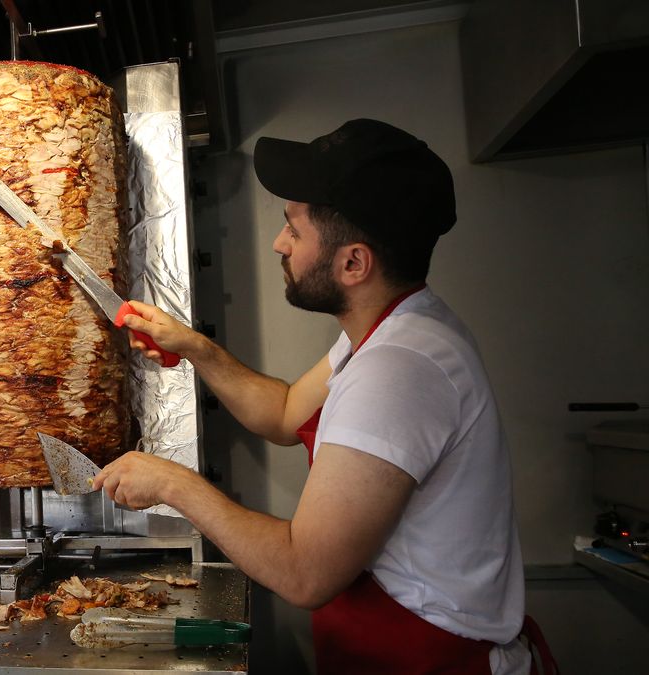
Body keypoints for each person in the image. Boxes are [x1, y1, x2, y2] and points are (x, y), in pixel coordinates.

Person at [94, 119, 546, 674]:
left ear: (353, 263)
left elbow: (305, 574)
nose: (279, 244)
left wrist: (172, 483)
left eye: (294, 231)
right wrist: (194, 347)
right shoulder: (394, 329)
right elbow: (285, 414)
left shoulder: (398, 370)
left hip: (434, 661)